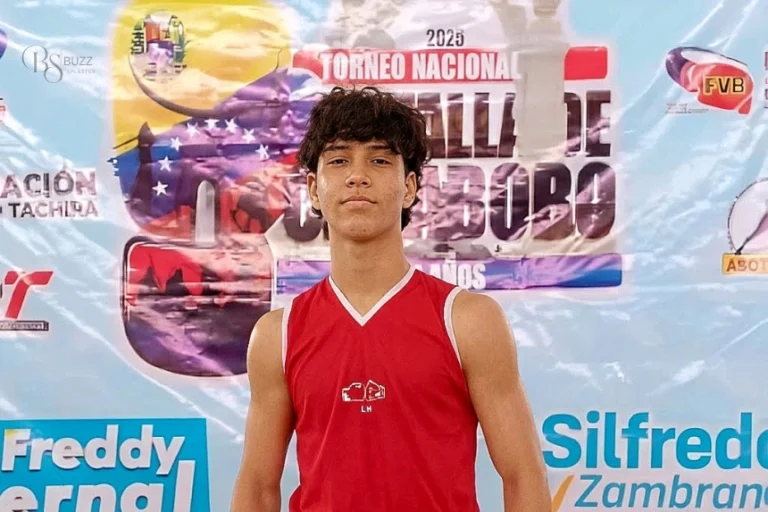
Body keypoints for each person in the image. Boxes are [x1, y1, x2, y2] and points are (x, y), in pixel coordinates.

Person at [230, 86, 551, 512]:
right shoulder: (277, 335)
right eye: (339, 159)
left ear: (410, 187)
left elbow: (523, 474)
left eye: (380, 160)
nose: (357, 175)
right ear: (312, 188)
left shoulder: (468, 321)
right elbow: (257, 486)